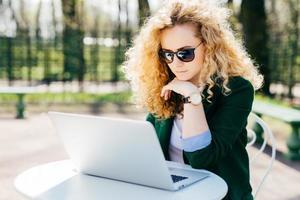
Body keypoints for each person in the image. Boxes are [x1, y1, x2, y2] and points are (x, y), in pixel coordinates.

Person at [123, 0, 263, 199]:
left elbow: (202, 158)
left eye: (185, 53)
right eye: (167, 54)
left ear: (209, 46)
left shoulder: (237, 89)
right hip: (173, 193)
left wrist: (192, 97)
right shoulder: (165, 85)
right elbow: (148, 145)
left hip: (221, 194)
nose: (176, 63)